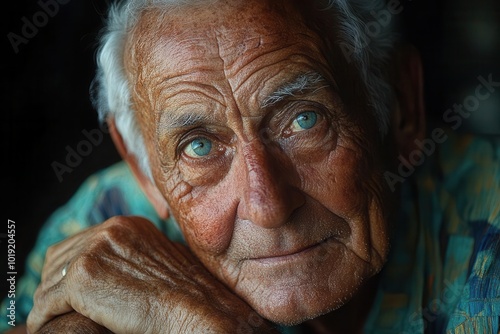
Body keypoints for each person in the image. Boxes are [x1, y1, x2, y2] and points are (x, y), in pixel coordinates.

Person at [2, 0, 499, 333]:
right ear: (142, 167)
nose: (268, 206)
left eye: (303, 120)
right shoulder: (101, 227)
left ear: (399, 107)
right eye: (199, 147)